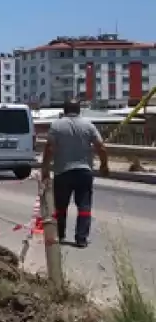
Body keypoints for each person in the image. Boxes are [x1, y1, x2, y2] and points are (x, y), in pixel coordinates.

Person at [41, 98, 110, 248]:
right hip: (84, 172)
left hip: (62, 172)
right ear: (79, 110)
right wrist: (104, 165)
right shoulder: (88, 125)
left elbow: (49, 148)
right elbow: (101, 147)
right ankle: (81, 238)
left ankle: (60, 235)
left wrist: (45, 169)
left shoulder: (56, 125)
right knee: (84, 206)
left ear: (64, 110)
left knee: (60, 207)